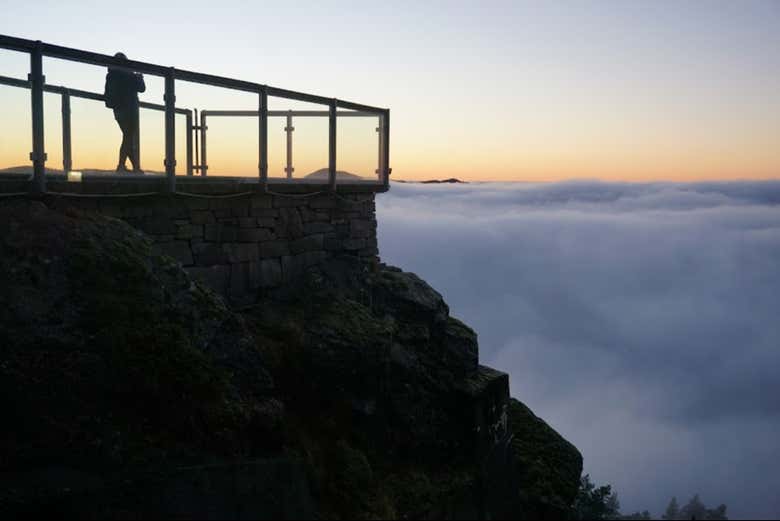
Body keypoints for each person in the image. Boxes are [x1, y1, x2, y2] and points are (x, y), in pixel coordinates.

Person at [104, 52, 145, 173]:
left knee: (128, 137)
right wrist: (140, 77)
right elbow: (142, 88)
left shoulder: (111, 75)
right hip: (130, 109)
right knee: (128, 137)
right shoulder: (129, 74)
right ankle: (122, 166)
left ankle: (135, 167)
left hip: (118, 110)